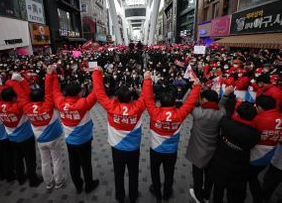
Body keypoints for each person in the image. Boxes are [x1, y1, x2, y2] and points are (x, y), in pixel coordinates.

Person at [142, 71, 201, 200]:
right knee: (169, 173)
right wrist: (196, 87)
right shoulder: (179, 114)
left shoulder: (154, 112)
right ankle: (167, 193)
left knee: (154, 172)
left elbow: (148, 99)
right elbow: (189, 103)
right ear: (174, 104)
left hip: (155, 150)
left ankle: (157, 192)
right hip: (171, 151)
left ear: (160, 104)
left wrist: (147, 80)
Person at [92, 67, 146, 203]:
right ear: (131, 98)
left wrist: (97, 74)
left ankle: (119, 196)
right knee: (134, 174)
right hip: (133, 149)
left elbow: (99, 93)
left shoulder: (111, 107)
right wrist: (148, 79)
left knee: (118, 174)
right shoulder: (138, 108)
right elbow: (146, 97)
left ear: (117, 97)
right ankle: (133, 196)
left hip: (117, 149)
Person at [10, 67, 65, 190]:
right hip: (54, 137)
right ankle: (59, 181)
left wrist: (15, 82)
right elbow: (49, 91)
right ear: (43, 97)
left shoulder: (26, 106)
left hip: (40, 139)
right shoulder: (47, 104)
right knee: (56, 160)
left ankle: (49, 183)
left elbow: (22, 95)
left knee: (44, 161)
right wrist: (51, 75)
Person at [51, 66, 99, 194]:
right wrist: (97, 74)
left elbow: (55, 91)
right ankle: (89, 185)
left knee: (73, 164)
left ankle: (78, 186)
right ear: (79, 93)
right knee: (86, 164)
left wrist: (52, 75)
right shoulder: (83, 103)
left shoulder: (60, 102)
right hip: (84, 140)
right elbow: (97, 92)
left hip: (69, 140)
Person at [0, 75, 41, 187]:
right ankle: (33, 180)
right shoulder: (18, 106)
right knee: (30, 159)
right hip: (26, 137)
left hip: (12, 137)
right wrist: (17, 81)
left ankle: (20, 178)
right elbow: (25, 95)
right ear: (13, 98)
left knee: (17, 158)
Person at [186, 87, 234, 203]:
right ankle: (206, 195)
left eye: (202, 99)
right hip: (213, 150)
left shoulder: (198, 112)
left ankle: (198, 196)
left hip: (197, 151)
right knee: (209, 176)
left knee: (197, 176)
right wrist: (226, 96)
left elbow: (186, 103)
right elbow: (221, 105)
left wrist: (193, 89)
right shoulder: (221, 113)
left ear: (205, 100)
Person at [210, 101, 260, 203]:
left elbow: (226, 113)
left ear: (237, 114)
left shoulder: (226, 123)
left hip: (220, 164)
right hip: (239, 169)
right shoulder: (255, 134)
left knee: (218, 190)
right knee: (234, 195)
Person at [249, 95, 282, 203]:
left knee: (251, 177)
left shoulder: (258, 119)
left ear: (260, 107)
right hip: (272, 153)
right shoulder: (280, 116)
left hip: (257, 155)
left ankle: (258, 198)